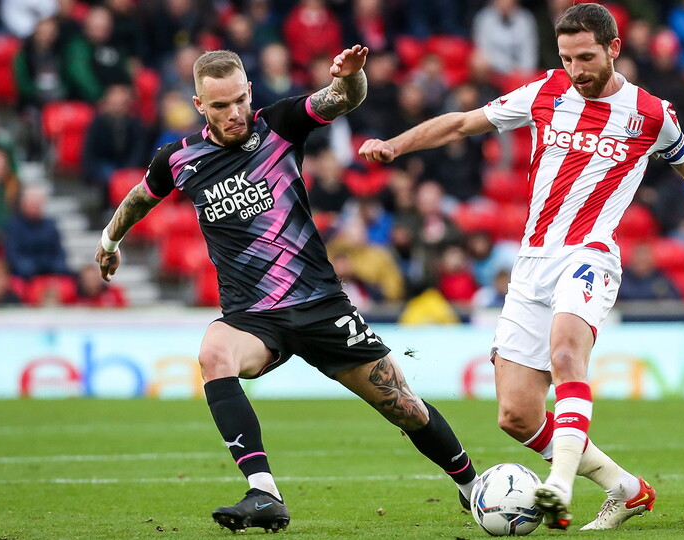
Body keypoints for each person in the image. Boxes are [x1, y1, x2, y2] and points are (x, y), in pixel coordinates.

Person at [360, 3, 684, 531]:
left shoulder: (650, 114)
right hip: (532, 262)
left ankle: (557, 488)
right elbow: (462, 123)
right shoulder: (545, 92)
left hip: (590, 254)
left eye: (586, 57)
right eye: (566, 58)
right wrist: (395, 145)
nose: (576, 69)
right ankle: (625, 488)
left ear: (613, 49)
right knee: (516, 416)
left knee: (567, 356)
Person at [93, 47, 479, 533]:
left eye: (238, 100)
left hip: (320, 305)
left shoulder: (279, 124)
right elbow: (139, 198)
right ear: (199, 105)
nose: (233, 113)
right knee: (214, 354)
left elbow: (342, 99)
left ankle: (472, 486)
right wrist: (110, 239)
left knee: (404, 407)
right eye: (219, 106)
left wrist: (352, 79)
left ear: (250, 91)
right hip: (252, 318)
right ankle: (264, 492)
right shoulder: (180, 159)